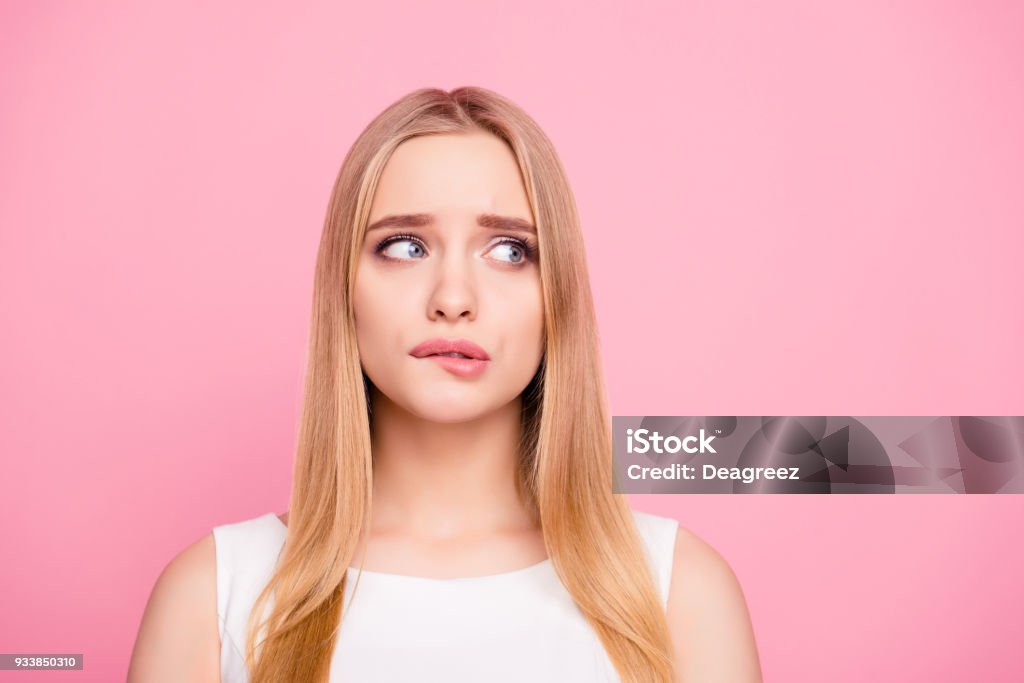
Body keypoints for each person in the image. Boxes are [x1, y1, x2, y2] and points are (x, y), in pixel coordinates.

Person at [128, 86, 762, 683]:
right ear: (342, 290)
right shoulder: (213, 595)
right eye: (405, 247)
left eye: (511, 250)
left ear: (557, 295)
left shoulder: (680, 592)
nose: (453, 299)